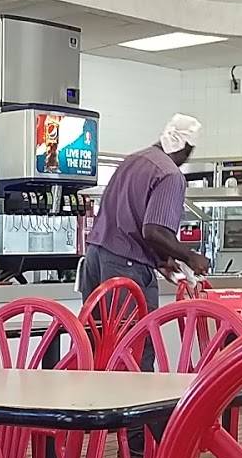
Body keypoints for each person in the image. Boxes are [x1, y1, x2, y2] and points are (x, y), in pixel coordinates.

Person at [82, 114, 210, 312]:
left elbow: (131, 218)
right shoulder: (170, 174)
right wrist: (190, 257)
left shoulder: (133, 160)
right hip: (126, 265)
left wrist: (162, 259)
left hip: (94, 258)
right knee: (135, 331)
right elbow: (154, 231)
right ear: (186, 148)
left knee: (97, 330)